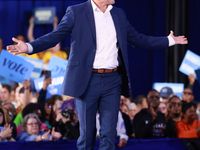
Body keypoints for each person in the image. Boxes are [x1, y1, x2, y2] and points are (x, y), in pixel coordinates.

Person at [7, 0, 187, 149]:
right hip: (87, 80)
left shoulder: (118, 14)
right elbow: (55, 36)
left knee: (109, 134)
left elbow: (139, 39)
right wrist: (29, 47)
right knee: (87, 136)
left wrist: (169, 40)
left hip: (112, 81)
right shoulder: (76, 12)